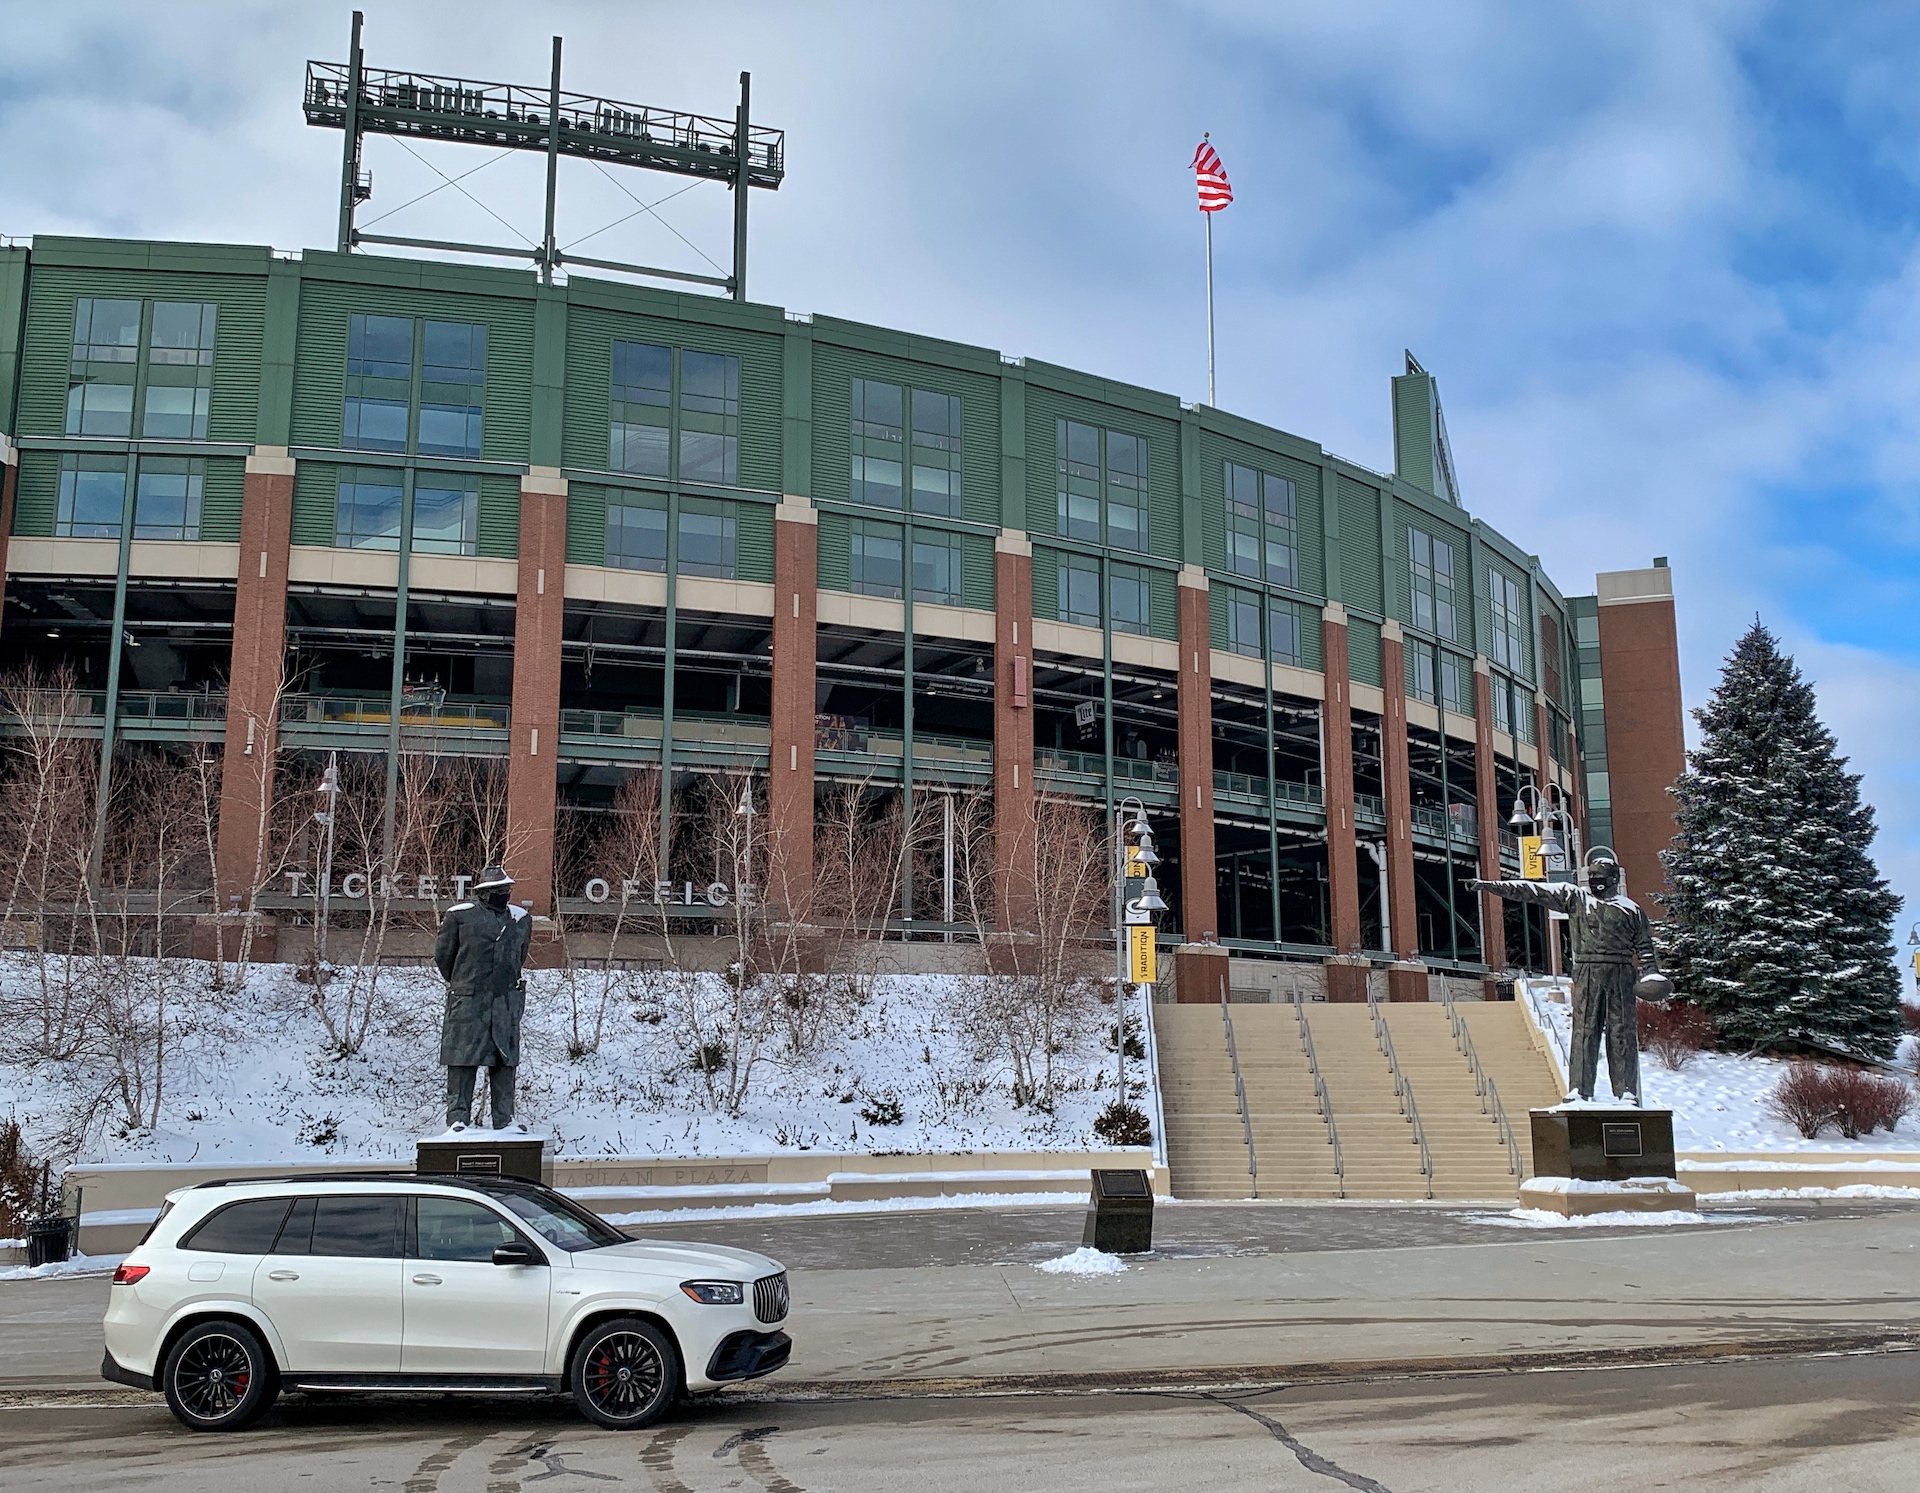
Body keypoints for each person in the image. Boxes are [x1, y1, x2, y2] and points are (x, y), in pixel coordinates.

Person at [1467, 853, 1660, 1104]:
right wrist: (1489, 885)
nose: (1594, 881)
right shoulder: (1576, 898)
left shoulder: (1630, 909)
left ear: (1614, 879)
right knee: (1584, 1031)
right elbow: (1532, 890)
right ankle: (1579, 1089)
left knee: (1621, 1031)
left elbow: (1645, 947)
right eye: (1591, 876)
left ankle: (1626, 1092)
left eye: (1600, 876)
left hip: (1620, 972)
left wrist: (1651, 972)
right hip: (1587, 970)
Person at [433, 864, 532, 1131]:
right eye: (498, 889)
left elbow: (519, 957)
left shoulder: (521, 920)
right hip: (468, 1002)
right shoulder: (459, 917)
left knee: (504, 1062)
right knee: (462, 1061)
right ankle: (457, 1119)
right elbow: (444, 958)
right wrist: (466, 982)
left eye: (507, 889)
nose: (504, 894)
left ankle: (505, 1119)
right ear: (483, 892)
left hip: (505, 1003)